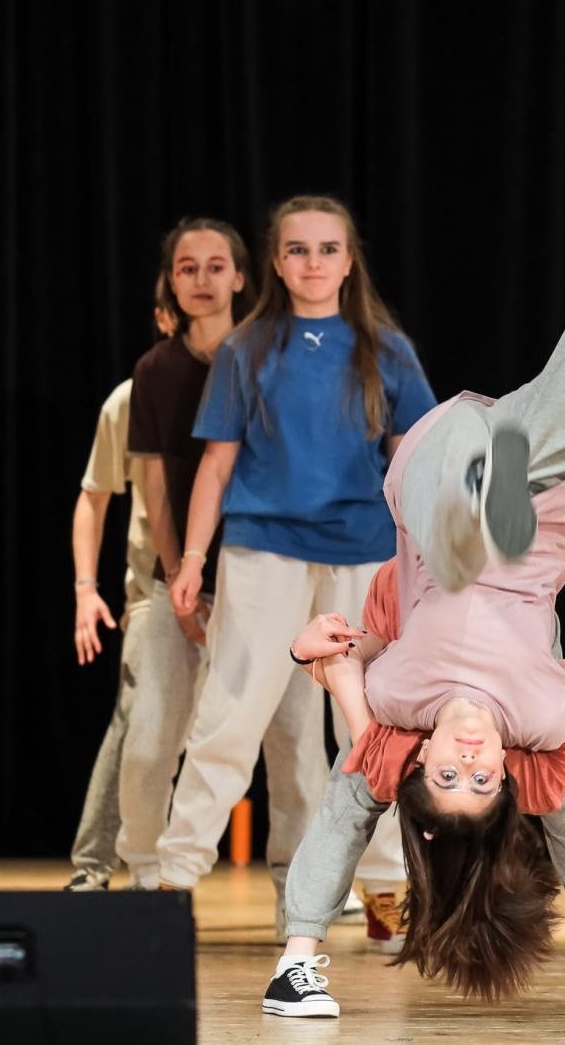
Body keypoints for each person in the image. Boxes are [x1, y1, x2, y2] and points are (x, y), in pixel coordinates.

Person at [258, 33, 565, 1013]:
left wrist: (298, 956)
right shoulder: (545, 733)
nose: (469, 760)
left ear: (420, 768)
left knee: (471, 536)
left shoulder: (390, 714)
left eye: (448, 775)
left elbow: (344, 813)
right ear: (506, 782)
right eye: (484, 780)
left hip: (444, 488)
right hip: (548, 477)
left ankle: (487, 499)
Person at [154, 193, 439, 941]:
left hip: (364, 553)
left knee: (371, 722)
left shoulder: (386, 350)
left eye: (328, 249)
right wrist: (192, 559)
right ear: (277, 263)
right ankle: (173, 880)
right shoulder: (248, 348)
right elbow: (216, 465)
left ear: (349, 262)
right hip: (264, 549)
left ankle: (385, 885)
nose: (313, 263)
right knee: (231, 713)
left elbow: (417, 464)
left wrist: (429, 562)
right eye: (298, 250)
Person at [119, 216, 347, 895]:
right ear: (171, 280)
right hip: (182, 582)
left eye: (216, 266)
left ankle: (296, 891)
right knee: (152, 739)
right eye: (186, 268)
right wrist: (179, 574)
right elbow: (155, 485)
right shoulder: (155, 372)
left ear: (242, 276)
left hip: (275, 577)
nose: (201, 279)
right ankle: (148, 875)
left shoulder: (273, 355)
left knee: (295, 746)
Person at [64, 299, 174, 890]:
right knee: (137, 723)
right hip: (156, 589)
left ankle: (313, 885)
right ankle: (95, 865)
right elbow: (94, 494)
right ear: (163, 316)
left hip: (243, 585)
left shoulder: (250, 389)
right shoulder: (130, 399)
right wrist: (87, 589)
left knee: (282, 733)